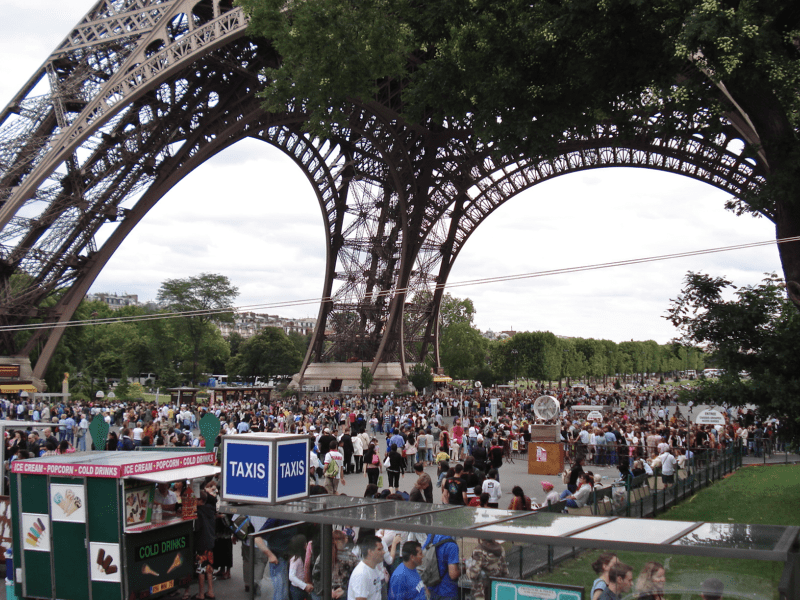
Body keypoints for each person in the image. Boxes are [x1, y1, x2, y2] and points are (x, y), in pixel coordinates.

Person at [194, 477, 218, 600]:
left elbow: (197, 528)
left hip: (201, 543)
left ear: (200, 500)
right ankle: (211, 592)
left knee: (201, 569)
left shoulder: (198, 513)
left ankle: (201, 594)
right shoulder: (210, 510)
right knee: (209, 568)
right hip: (210, 542)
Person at [422, 533, 460, 600]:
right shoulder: (451, 545)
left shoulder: (431, 537)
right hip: (447, 592)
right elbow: (453, 574)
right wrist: (462, 570)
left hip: (431, 589)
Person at [347, 535, 384, 600]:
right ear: (370, 552)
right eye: (379, 549)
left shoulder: (374, 568)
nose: (383, 552)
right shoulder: (362, 574)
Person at [288, 534, 313, 600]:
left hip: (301, 588)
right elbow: (291, 576)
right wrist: (304, 586)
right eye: (305, 543)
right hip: (297, 589)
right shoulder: (296, 559)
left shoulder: (302, 557)